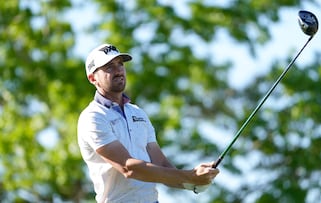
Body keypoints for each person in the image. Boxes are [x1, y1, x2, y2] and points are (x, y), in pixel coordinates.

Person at [77, 43, 219, 203]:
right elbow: (128, 168)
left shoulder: (137, 113)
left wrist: (192, 182)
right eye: (109, 67)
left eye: (120, 64)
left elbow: (161, 163)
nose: (118, 70)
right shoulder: (93, 117)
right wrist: (189, 176)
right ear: (92, 78)